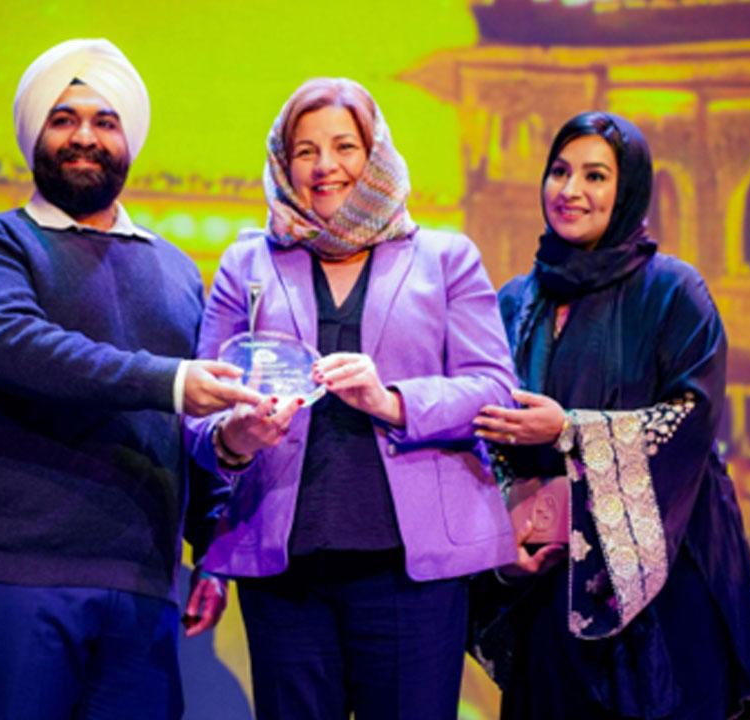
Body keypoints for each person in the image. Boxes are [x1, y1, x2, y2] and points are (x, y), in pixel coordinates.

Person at [0, 38, 259, 720]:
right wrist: (171, 380)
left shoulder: (175, 270)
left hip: (143, 583)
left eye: (104, 121)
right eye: (63, 119)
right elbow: (17, 347)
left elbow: (187, 424)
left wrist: (211, 545)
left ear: (129, 141)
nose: (84, 137)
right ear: (35, 136)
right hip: (15, 571)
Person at [186, 78, 517, 720]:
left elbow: (492, 389)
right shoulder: (246, 265)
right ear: (285, 162)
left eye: (344, 145)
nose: (324, 166)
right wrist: (236, 438)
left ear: (376, 154)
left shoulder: (446, 259)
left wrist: (390, 399)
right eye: (305, 150)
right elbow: (201, 414)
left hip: (411, 571)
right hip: (284, 571)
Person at [470, 112, 750, 719]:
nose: (570, 190)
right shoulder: (513, 303)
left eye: (595, 175)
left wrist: (570, 430)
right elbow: (485, 432)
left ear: (629, 188)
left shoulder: (674, 292)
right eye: (559, 171)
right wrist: (506, 528)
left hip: (666, 584)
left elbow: (690, 420)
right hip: (549, 584)